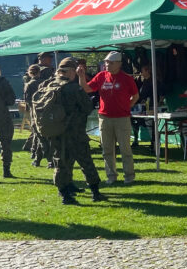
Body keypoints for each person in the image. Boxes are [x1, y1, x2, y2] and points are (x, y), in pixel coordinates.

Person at [49, 57, 105, 205]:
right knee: (86, 161)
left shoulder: (49, 85)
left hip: (56, 132)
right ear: (72, 71)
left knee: (61, 162)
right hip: (75, 132)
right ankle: (95, 192)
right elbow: (87, 107)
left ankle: (65, 193)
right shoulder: (73, 88)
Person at [81, 51, 139, 184]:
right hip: (104, 118)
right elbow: (87, 88)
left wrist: (127, 107)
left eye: (111, 62)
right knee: (107, 149)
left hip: (122, 119)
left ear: (119, 64)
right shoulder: (101, 76)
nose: (107, 64)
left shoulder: (127, 78)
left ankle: (129, 176)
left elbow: (135, 96)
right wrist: (81, 76)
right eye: (106, 62)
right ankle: (111, 176)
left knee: (125, 149)